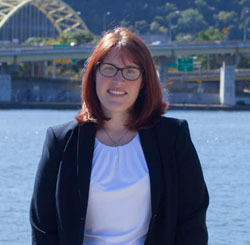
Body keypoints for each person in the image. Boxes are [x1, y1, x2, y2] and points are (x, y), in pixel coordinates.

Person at [30, 27, 209, 245]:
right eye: (109, 69)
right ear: (93, 74)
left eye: (130, 71)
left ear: (144, 81)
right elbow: (43, 227)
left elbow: (192, 220)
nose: (118, 80)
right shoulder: (61, 140)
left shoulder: (173, 137)